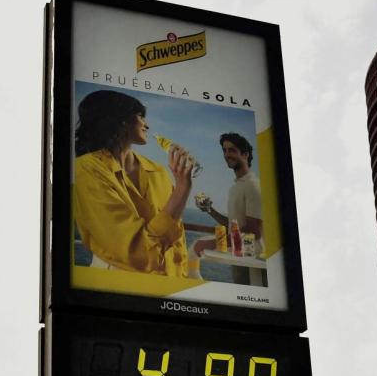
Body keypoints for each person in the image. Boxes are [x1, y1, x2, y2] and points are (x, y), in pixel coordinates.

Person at [72, 90, 194, 276]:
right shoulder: (88, 169)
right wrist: (182, 188)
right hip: (116, 287)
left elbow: (178, 242)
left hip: (169, 288)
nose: (147, 125)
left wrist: (183, 281)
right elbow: (140, 255)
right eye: (140, 116)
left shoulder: (159, 172)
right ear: (120, 120)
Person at [192, 132, 263, 262]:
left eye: (232, 150)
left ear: (245, 154)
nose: (226, 155)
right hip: (238, 255)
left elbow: (253, 231)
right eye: (224, 150)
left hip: (251, 258)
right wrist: (209, 210)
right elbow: (233, 225)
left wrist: (212, 243)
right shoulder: (236, 187)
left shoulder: (253, 185)